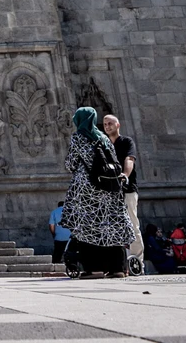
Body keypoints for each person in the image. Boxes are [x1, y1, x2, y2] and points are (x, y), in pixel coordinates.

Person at [60, 107, 135, 278]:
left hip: (88, 190)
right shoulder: (103, 137)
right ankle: (117, 268)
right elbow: (114, 160)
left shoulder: (78, 137)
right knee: (111, 226)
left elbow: (71, 164)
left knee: (88, 228)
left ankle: (94, 268)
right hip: (109, 188)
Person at [103, 114, 142, 267]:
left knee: (132, 224)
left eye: (110, 123)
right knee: (111, 226)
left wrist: (125, 175)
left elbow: (129, 159)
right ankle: (117, 262)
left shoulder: (126, 142)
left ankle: (137, 261)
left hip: (127, 190)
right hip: (110, 192)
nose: (107, 126)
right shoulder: (105, 145)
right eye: (105, 124)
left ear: (118, 125)